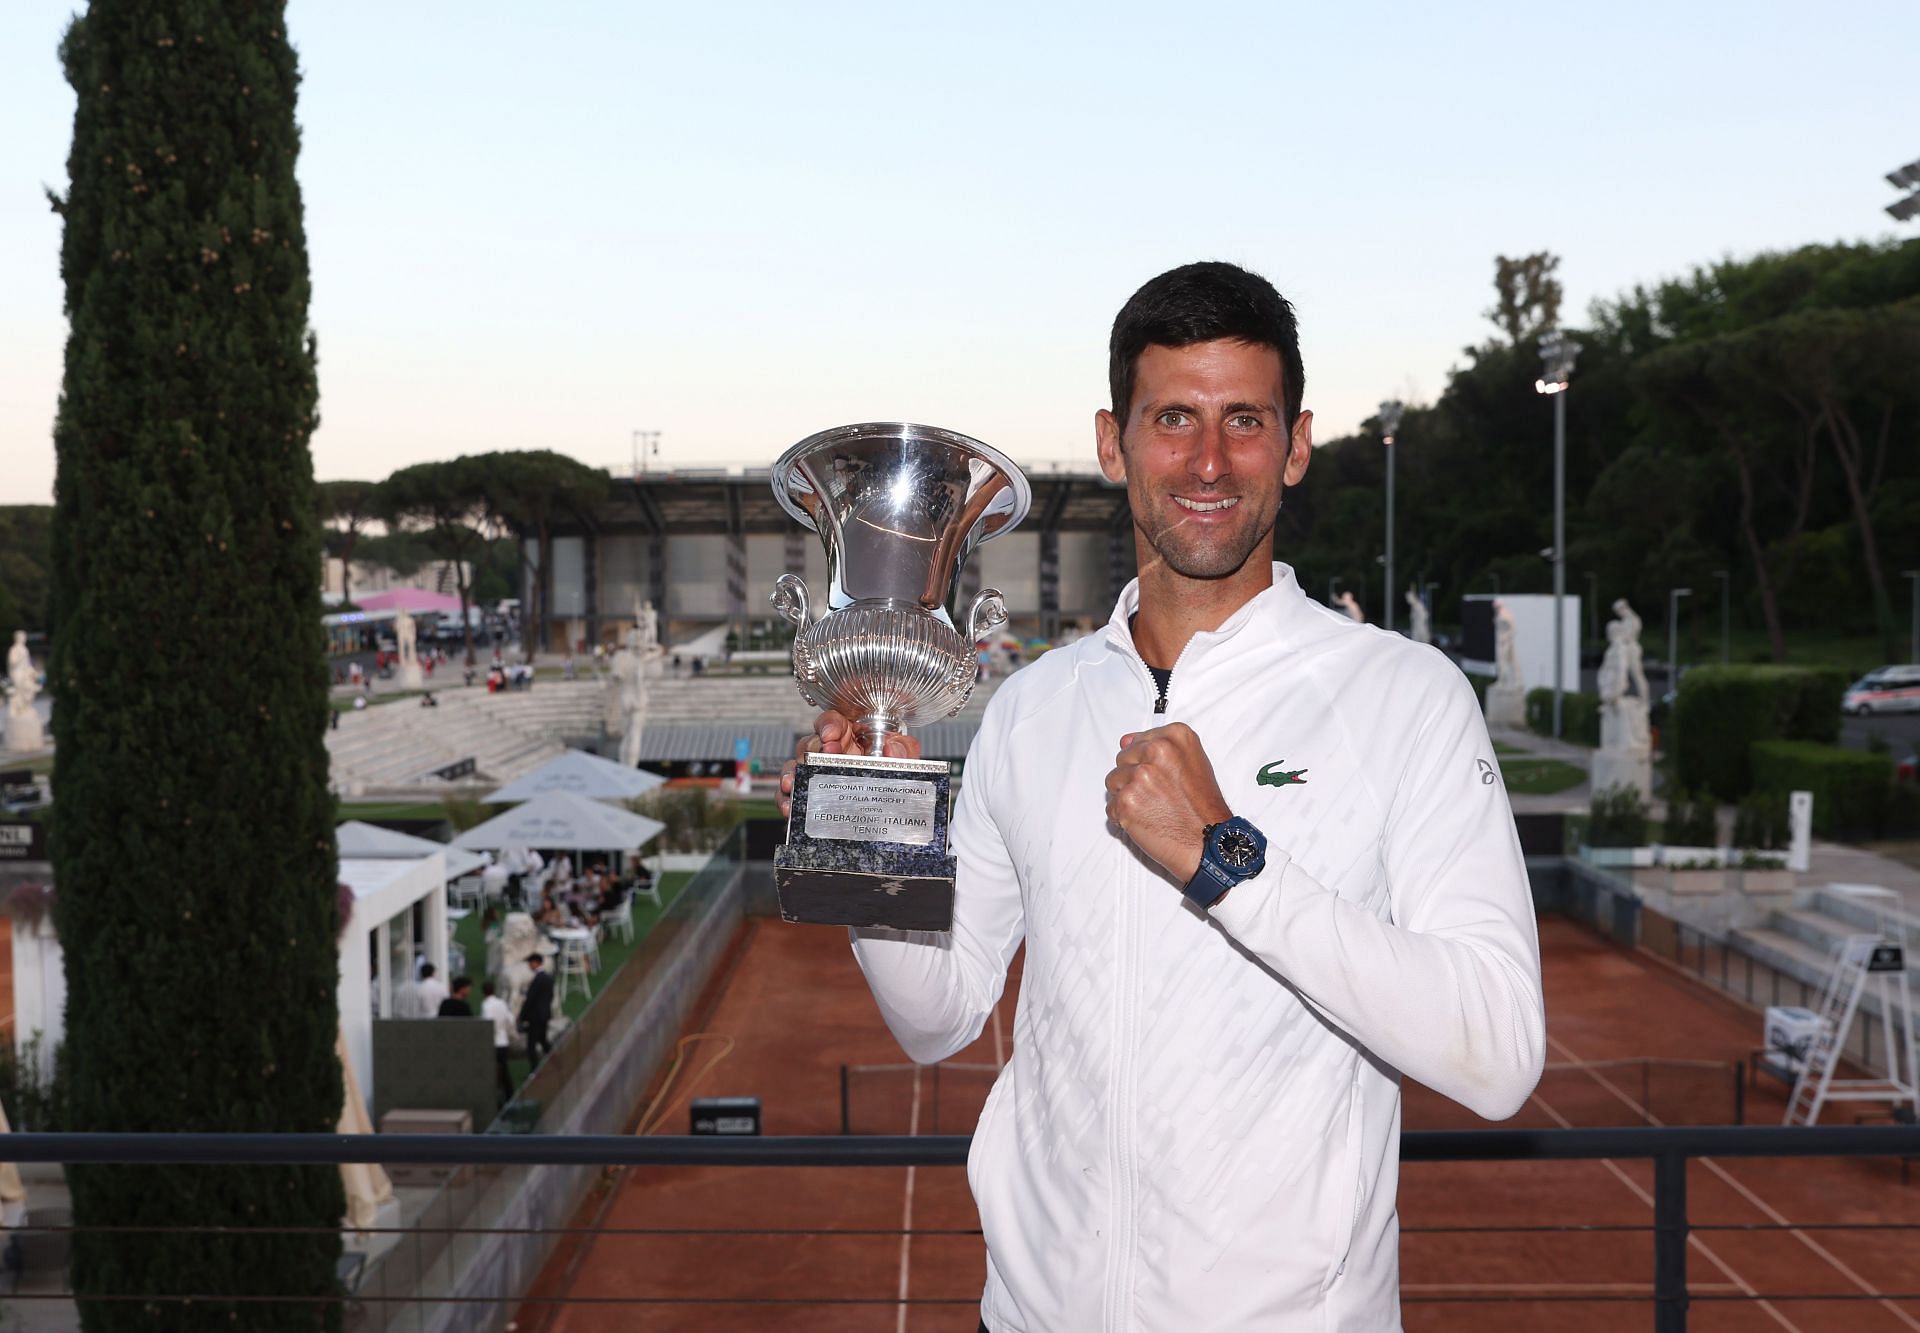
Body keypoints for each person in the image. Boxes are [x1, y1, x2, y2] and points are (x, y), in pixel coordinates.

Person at [782, 262, 1545, 1331]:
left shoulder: (1404, 697)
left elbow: (1501, 1050)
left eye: (1245, 420)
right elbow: (938, 1018)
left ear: (1296, 444)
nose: (1208, 461)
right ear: (1113, 442)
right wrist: (869, 856)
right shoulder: (1032, 708)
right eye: (1173, 418)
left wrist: (1226, 859)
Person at [480, 981, 515, 1103]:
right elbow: (510, 1019)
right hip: (503, 1041)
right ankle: (509, 1094)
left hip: (493, 1042)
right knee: (504, 1070)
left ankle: (496, 1097)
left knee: (494, 1071)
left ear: (483, 993)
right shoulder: (501, 1003)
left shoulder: (486, 1006)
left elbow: (487, 1024)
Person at [518, 953, 555, 1066]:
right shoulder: (547, 978)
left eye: (530, 963)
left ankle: (534, 1070)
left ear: (535, 963)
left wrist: (522, 1016)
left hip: (535, 1017)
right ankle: (555, 1062)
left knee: (531, 1045)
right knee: (543, 1040)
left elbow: (530, 999)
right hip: (544, 1015)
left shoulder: (538, 979)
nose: (529, 965)